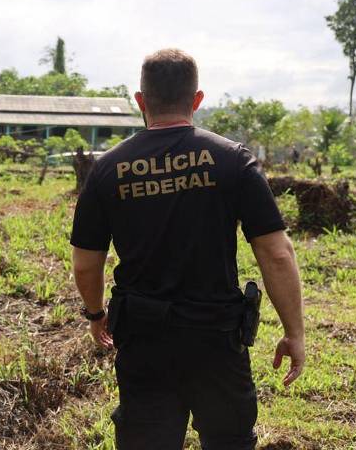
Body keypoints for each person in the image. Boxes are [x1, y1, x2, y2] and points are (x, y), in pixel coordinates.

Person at [70, 49, 305, 449]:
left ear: (140, 101)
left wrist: (96, 314)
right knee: (229, 440)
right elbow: (277, 253)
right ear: (197, 100)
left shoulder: (108, 168)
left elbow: (86, 263)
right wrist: (294, 332)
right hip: (216, 336)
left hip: (143, 337)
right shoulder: (232, 160)